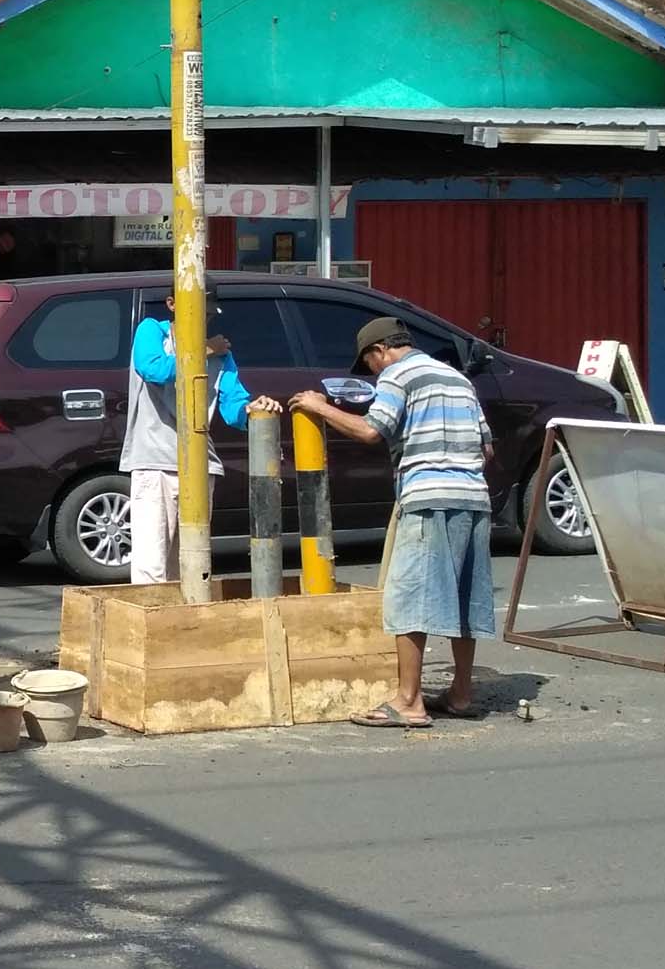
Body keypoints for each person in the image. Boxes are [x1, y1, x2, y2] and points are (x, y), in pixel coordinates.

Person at [292, 314, 495, 726]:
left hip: (427, 497)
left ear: (380, 350)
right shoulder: (458, 380)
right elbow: (486, 450)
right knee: (462, 599)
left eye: (368, 363)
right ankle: (461, 694)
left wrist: (321, 407)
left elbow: (371, 430)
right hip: (474, 499)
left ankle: (408, 702)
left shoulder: (397, 375)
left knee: (409, 598)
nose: (371, 371)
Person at [121, 295, 267, 585]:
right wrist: (205, 350)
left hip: (200, 465)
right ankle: (153, 625)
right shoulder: (152, 330)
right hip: (154, 463)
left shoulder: (221, 354)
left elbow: (232, 405)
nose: (204, 320)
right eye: (197, 311)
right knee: (151, 564)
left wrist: (251, 411)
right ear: (172, 303)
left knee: (190, 563)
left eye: (209, 315)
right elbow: (153, 369)